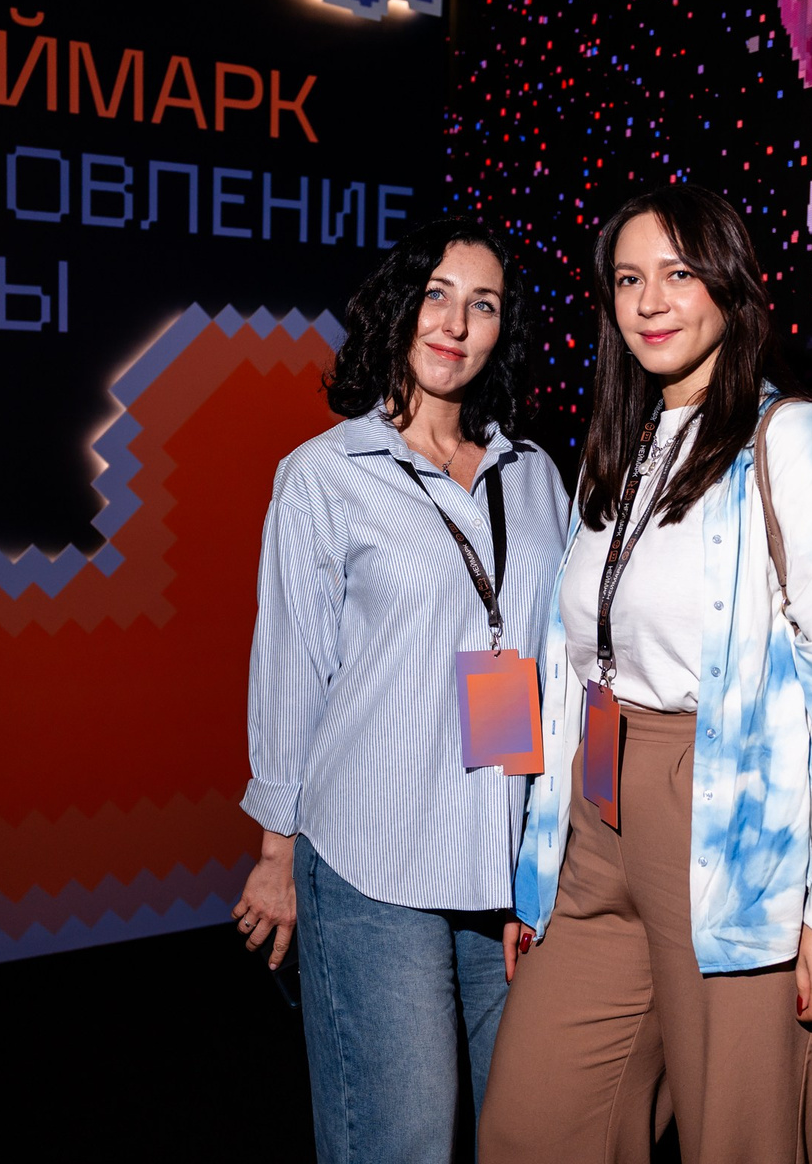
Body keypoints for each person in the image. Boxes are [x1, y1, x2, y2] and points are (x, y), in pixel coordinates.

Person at [478, 185, 812, 1164]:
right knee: (531, 1124)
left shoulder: (794, 441)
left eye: (678, 273)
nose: (650, 301)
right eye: (628, 279)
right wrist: (539, 869)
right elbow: (574, 663)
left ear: (730, 285)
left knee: (739, 1139)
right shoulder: (624, 447)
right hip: (601, 806)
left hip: (730, 820)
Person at [233, 217, 571, 1163]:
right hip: (374, 860)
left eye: (483, 305)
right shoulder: (323, 476)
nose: (455, 324)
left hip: (510, 869)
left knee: (525, 1138)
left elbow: (563, 657)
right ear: (397, 308)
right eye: (436, 295)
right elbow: (290, 669)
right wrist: (276, 852)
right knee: (404, 1143)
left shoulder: (535, 476)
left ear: (504, 331)